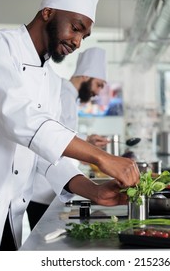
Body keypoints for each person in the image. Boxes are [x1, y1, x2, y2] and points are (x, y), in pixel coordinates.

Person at [0, 0, 139, 251]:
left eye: (84, 36)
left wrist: (92, 189)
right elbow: (19, 118)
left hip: (8, 215)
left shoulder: (49, 79)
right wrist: (101, 157)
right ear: (47, 12)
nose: (78, 42)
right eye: (76, 28)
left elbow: (45, 154)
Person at [27, 47, 110, 230]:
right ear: (86, 76)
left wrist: (87, 141)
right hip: (45, 187)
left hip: (54, 185)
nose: (98, 92)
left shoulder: (69, 97)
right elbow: (51, 140)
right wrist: (94, 154)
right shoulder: (64, 94)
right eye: (99, 84)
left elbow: (61, 133)